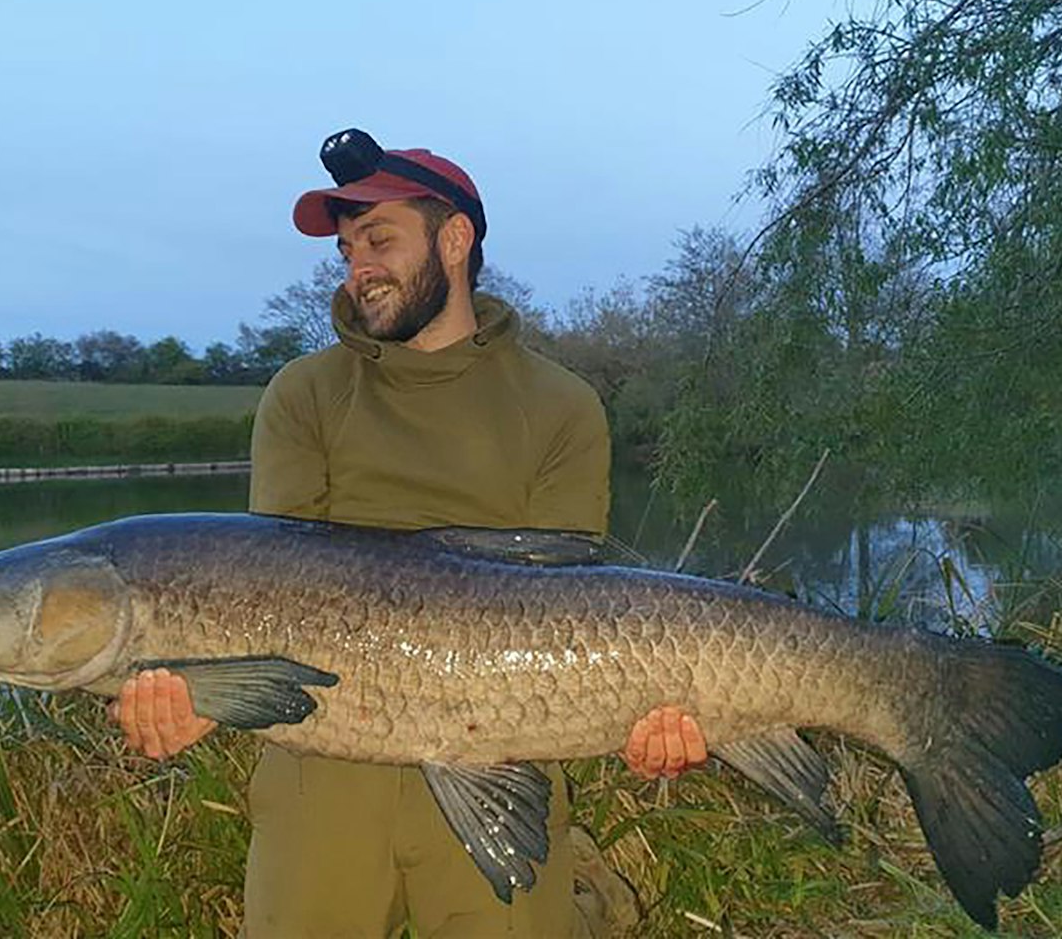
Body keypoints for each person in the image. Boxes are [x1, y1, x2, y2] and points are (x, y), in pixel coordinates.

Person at [113, 130, 708, 937]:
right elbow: (264, 585)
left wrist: (646, 716)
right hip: (317, 773)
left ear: (455, 240)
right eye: (348, 247)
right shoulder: (305, 395)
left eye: (379, 238)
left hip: (504, 753)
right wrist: (198, 695)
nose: (358, 265)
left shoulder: (560, 405)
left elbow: (575, 600)